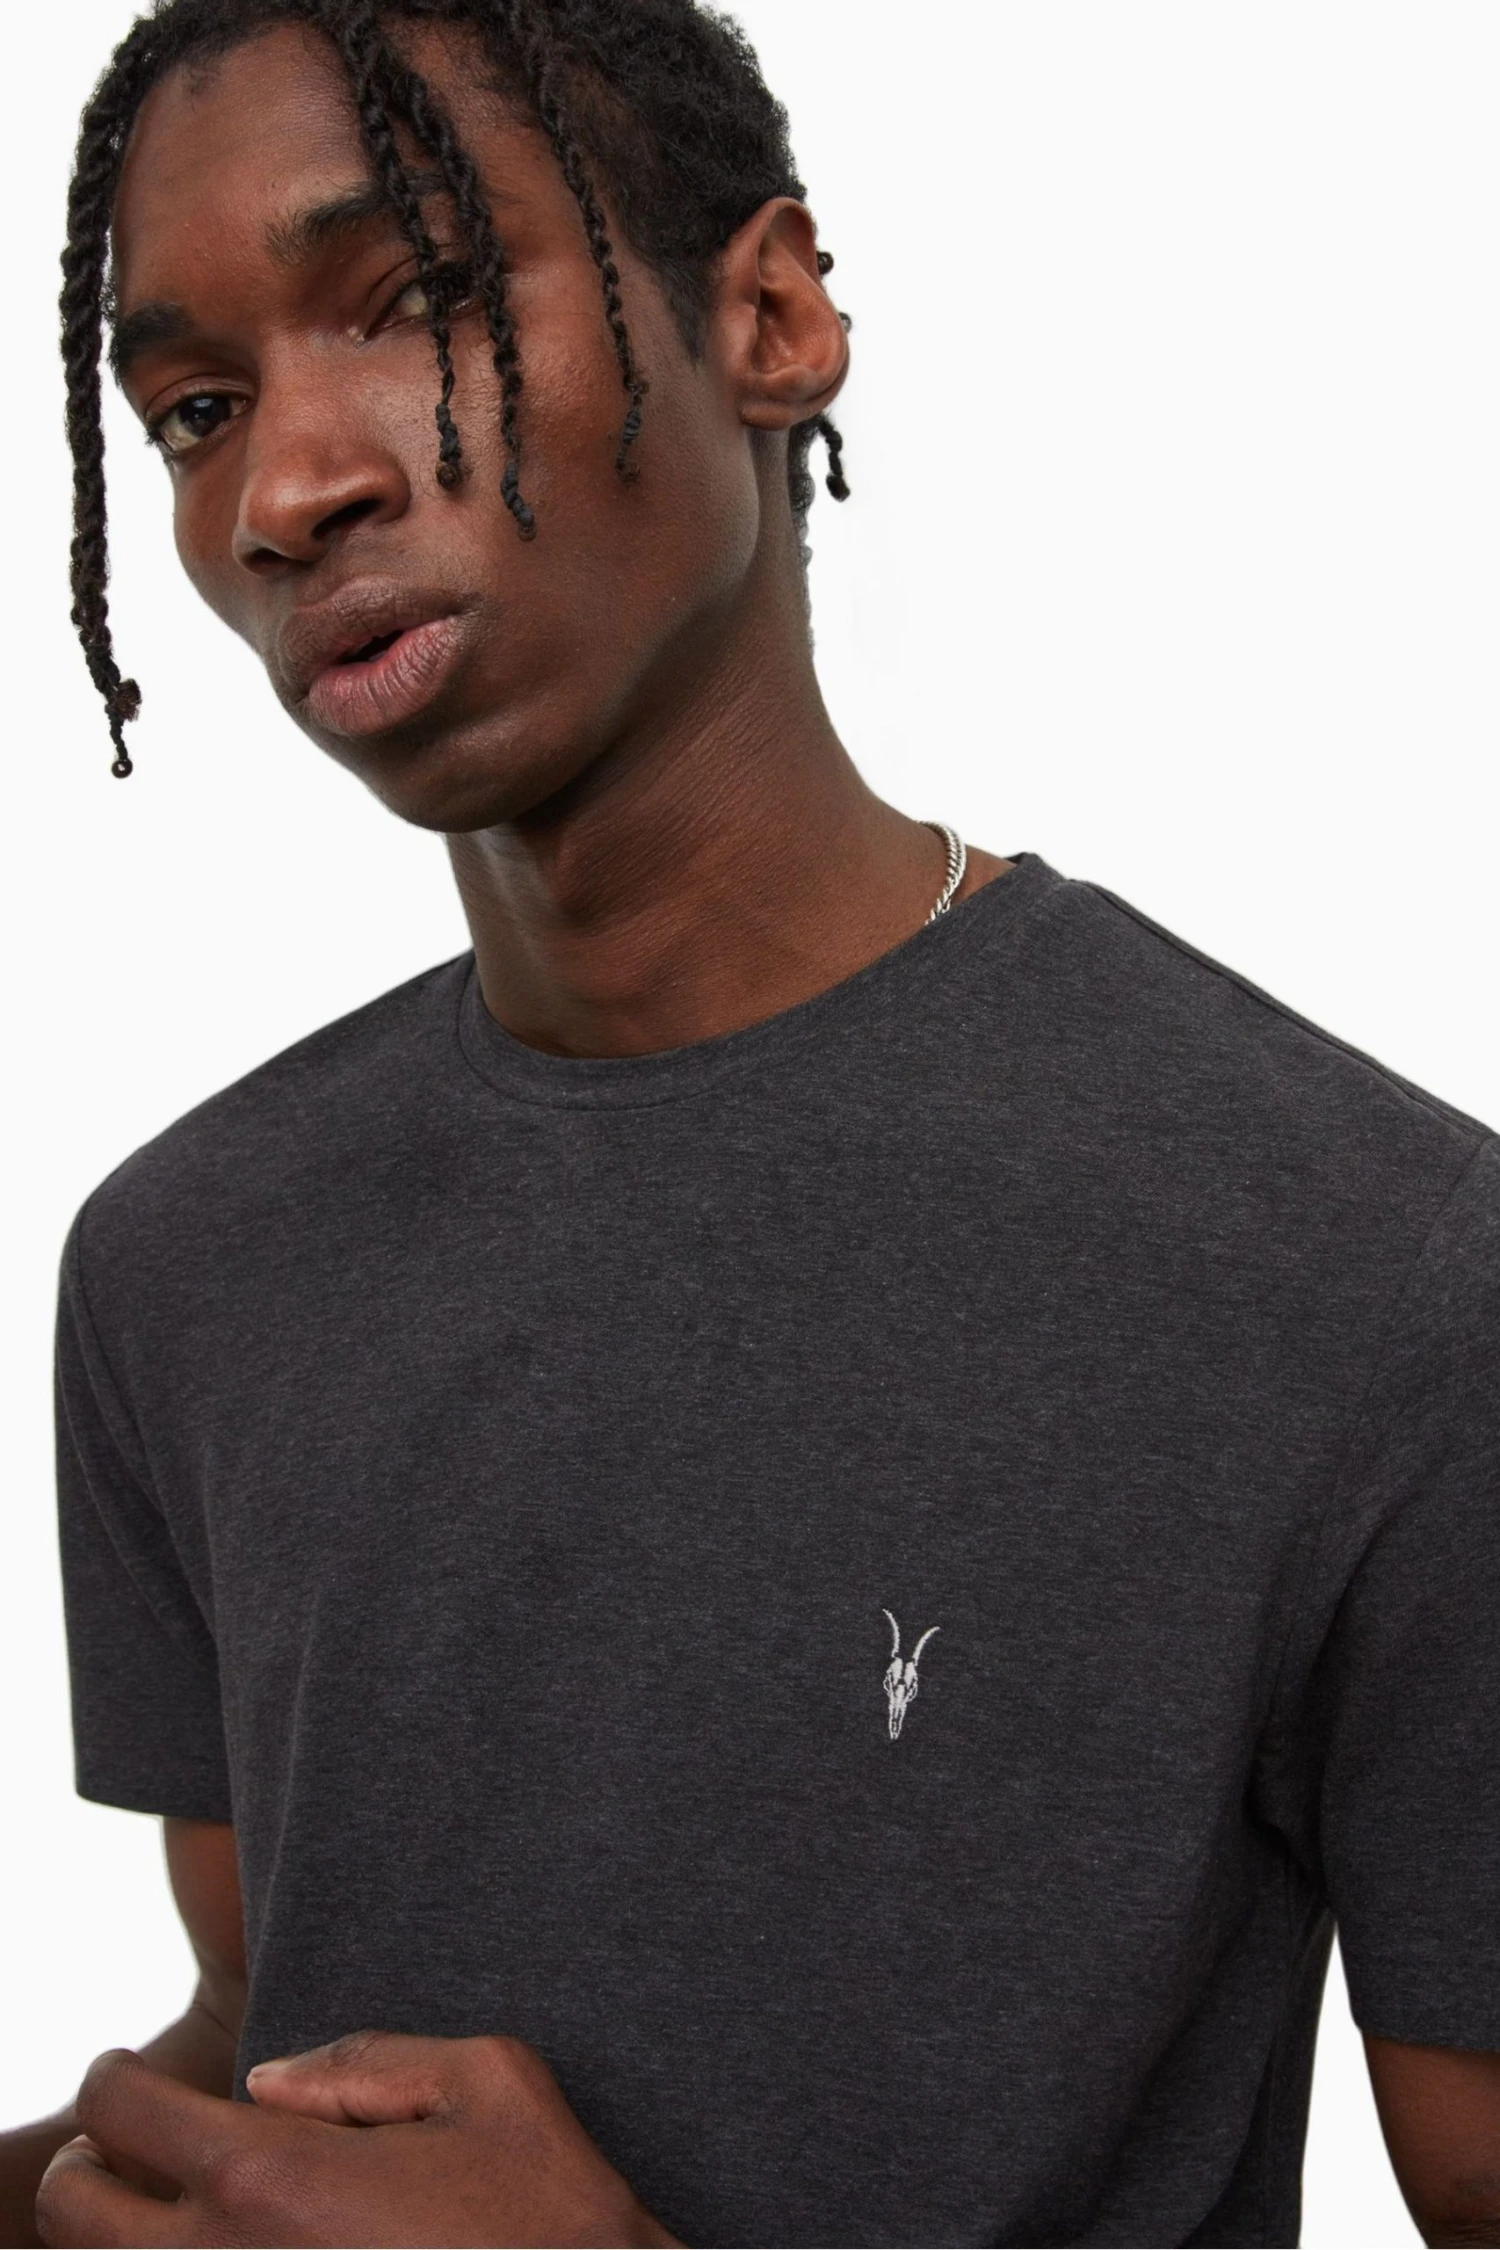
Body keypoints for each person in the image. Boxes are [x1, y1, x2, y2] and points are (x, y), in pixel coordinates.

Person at [5, 1, 1498, 2243]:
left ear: (772, 320)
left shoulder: (1380, 1276)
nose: (287, 490)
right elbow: (257, 2028)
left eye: (414, 300)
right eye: (197, 410)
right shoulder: (182, 1263)